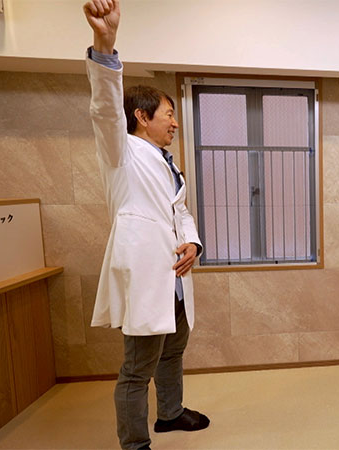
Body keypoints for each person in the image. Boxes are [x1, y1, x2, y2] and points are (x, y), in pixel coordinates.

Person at [83, 1, 210, 448]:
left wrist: (193, 243)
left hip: (174, 275)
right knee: (137, 369)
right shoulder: (121, 151)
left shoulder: (165, 161)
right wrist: (105, 45)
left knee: (173, 350)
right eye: (168, 114)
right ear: (140, 116)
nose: (175, 122)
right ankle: (134, 443)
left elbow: (180, 211)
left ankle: (170, 414)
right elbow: (105, 109)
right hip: (146, 276)